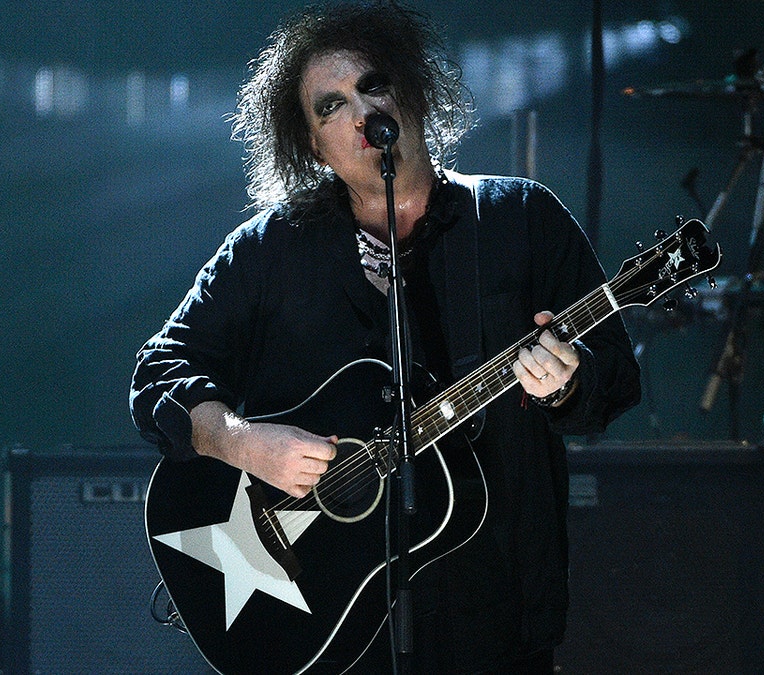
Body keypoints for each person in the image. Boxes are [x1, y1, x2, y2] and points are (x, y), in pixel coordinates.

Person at [130, 1, 640, 673]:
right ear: (312, 143)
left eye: (373, 86)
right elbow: (159, 371)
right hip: (326, 621)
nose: (362, 114)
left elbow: (616, 381)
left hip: (492, 616)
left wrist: (565, 384)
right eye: (331, 105)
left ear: (412, 90)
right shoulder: (268, 251)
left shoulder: (522, 220)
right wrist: (241, 441)